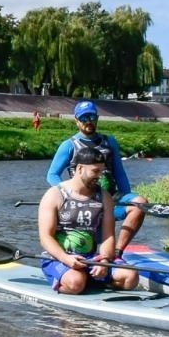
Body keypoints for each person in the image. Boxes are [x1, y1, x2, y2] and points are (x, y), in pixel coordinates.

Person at [45, 101, 147, 254]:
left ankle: (117, 252)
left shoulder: (109, 142)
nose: (89, 121)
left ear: (97, 118)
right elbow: (52, 175)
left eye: (92, 117)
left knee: (140, 204)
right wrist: (68, 196)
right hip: (82, 202)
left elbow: (119, 172)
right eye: (84, 118)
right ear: (76, 121)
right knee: (89, 247)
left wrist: (124, 196)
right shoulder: (68, 146)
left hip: (109, 198)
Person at [37, 146, 138, 294]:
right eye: (95, 171)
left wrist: (104, 260)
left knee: (130, 277)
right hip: (59, 257)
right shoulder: (54, 195)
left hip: (91, 258)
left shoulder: (104, 197)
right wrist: (65, 258)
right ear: (79, 169)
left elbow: (108, 236)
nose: (100, 177)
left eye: (102, 172)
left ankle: (91, 278)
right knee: (75, 283)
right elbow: (45, 237)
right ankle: (75, 280)